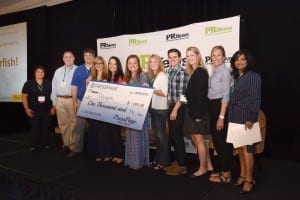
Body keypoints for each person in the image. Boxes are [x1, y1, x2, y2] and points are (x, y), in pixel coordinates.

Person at [228, 49, 261, 194]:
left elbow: (255, 98)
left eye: (243, 59)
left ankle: (249, 180)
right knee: (240, 150)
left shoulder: (253, 76)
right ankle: (242, 175)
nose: (239, 62)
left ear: (248, 61)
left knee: (247, 150)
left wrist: (251, 118)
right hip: (235, 117)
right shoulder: (237, 77)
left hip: (246, 119)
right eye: (237, 59)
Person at [184, 46, 213, 178]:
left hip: (198, 112)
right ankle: (209, 164)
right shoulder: (195, 71)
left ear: (198, 56)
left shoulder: (200, 72)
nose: (190, 58)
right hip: (194, 111)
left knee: (199, 140)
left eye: (192, 55)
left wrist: (197, 115)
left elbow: (200, 96)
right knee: (197, 139)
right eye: (188, 56)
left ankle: (202, 169)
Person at [207, 46, 234, 183]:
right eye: (213, 55)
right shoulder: (216, 70)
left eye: (219, 55)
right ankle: (224, 169)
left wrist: (221, 117)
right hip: (213, 107)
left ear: (223, 57)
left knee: (222, 143)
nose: (216, 58)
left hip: (220, 108)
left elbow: (226, 96)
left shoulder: (224, 72)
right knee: (218, 142)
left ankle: (226, 175)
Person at [164, 48, 189, 176]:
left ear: (180, 58)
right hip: (170, 106)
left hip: (178, 108)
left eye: (175, 57)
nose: (172, 59)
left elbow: (183, 95)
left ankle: (183, 165)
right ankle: (177, 162)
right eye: (170, 57)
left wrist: (174, 110)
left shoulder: (182, 73)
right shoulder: (168, 72)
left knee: (178, 137)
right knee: (173, 136)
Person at [123, 54, 150, 170]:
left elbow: (145, 90)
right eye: (130, 63)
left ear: (138, 64)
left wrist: (144, 86)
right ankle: (131, 160)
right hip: (129, 111)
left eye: (134, 63)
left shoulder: (143, 75)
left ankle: (138, 162)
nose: (132, 65)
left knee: (138, 137)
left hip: (140, 112)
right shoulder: (127, 77)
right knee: (130, 136)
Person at [22, 65, 55, 152]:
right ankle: (34, 145)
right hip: (34, 111)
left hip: (47, 110)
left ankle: (45, 144)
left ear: (44, 73)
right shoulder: (29, 83)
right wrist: (26, 108)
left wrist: (53, 107)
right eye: (38, 72)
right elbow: (24, 96)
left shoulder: (49, 83)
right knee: (34, 128)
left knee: (46, 128)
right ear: (34, 73)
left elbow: (54, 96)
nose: (40, 73)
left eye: (42, 72)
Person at [69, 48, 95, 157]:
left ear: (93, 56)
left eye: (90, 55)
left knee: (95, 128)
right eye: (86, 55)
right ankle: (76, 149)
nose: (88, 57)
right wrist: (74, 102)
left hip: (95, 103)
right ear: (83, 57)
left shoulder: (97, 68)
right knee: (79, 127)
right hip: (80, 101)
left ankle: (94, 150)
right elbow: (74, 86)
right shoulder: (78, 69)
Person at [85, 56, 111, 163]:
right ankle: (96, 153)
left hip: (104, 110)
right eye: (96, 64)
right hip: (93, 109)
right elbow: (89, 94)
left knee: (103, 132)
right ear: (94, 65)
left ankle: (104, 154)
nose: (98, 65)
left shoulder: (108, 76)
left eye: (100, 63)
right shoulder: (90, 78)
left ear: (103, 64)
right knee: (94, 131)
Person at [51, 51, 77, 153]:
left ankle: (73, 146)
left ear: (74, 58)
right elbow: (54, 87)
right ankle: (66, 144)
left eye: (70, 57)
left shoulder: (78, 70)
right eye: (65, 57)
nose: (68, 58)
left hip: (72, 100)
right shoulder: (58, 71)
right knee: (63, 124)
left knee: (73, 124)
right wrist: (54, 102)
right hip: (60, 100)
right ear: (63, 59)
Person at [147, 54, 169, 170]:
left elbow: (164, 92)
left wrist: (151, 89)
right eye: (151, 62)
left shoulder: (162, 75)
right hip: (154, 109)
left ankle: (164, 162)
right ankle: (158, 159)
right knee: (157, 137)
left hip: (161, 110)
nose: (152, 64)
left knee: (161, 137)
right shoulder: (153, 76)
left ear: (159, 63)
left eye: (155, 62)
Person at [106, 56, 125, 164]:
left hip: (117, 109)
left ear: (118, 65)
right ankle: (113, 153)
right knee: (109, 132)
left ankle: (120, 155)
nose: (112, 66)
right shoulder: (107, 76)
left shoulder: (121, 77)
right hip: (107, 109)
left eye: (114, 64)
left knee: (116, 133)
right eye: (110, 64)